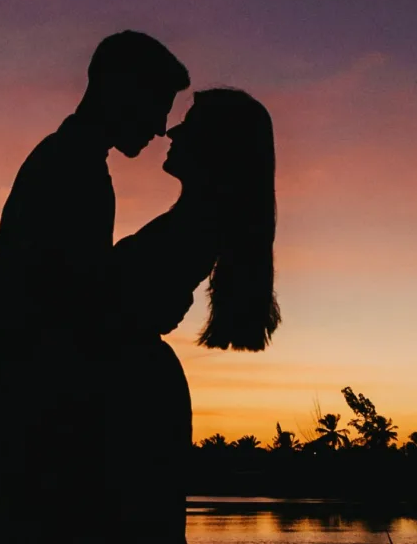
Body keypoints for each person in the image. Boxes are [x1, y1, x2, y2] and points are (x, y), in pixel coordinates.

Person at [0, 31, 190, 543]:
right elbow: (50, 299)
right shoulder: (71, 169)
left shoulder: (71, 163)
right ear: (118, 89)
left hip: (25, 421)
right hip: (33, 425)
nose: (158, 127)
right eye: (155, 106)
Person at [103, 87, 281, 543]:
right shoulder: (196, 221)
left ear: (217, 146)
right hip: (136, 390)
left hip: (134, 400)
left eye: (190, 124)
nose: (173, 132)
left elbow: (114, 308)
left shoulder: (198, 226)